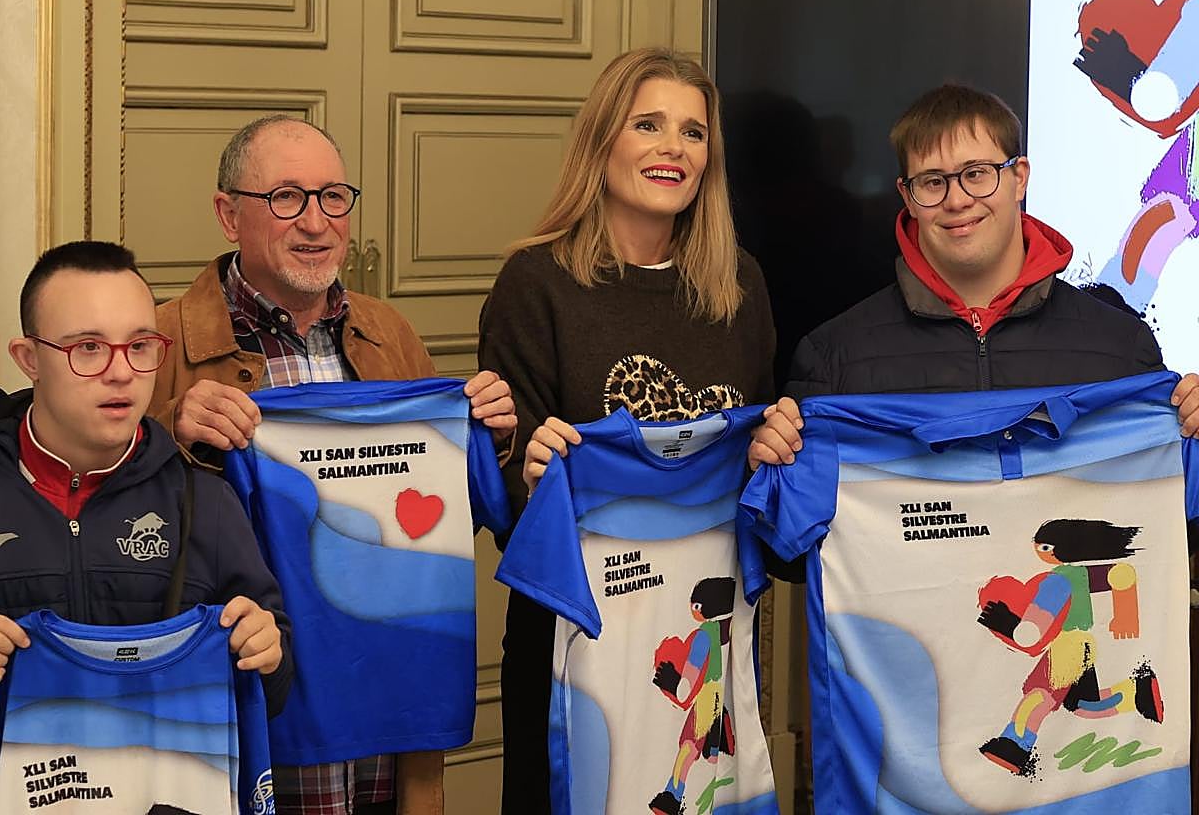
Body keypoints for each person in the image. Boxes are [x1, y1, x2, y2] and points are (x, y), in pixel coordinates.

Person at [148, 115, 517, 815]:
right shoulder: (162, 342)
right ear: (229, 214)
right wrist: (171, 434)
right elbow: (109, 529)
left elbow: (430, 529)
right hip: (250, 698)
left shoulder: (392, 335)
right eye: (286, 196)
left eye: (333, 197)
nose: (316, 222)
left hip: (381, 704)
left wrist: (483, 438)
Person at [477, 47, 776, 815]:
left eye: (693, 132)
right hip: (576, 640)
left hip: (709, 627)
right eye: (649, 125)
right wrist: (532, 472)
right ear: (603, 139)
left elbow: (759, 470)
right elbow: (509, 505)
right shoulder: (535, 284)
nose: (673, 148)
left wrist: (780, 449)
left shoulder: (738, 284)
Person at [749, 83, 1199, 473]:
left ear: (1018, 178)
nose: (958, 200)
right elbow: (793, 554)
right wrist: (769, 470)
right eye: (932, 182)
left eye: (977, 174)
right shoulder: (832, 357)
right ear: (906, 196)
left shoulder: (1122, 346)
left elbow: (1171, 528)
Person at [0, 241, 289, 711]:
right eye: (88, 348)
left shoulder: (204, 500)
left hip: (162, 781)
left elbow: (272, 689)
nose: (122, 373)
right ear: (29, 358)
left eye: (139, 346)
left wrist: (266, 652)